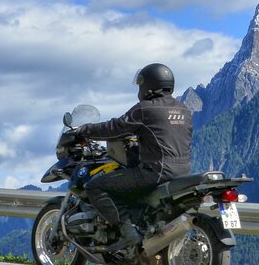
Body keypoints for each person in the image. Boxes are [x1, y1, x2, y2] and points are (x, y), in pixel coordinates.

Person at [75, 63, 193, 253]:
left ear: (149, 85)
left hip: (154, 172)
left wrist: (85, 130)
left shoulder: (145, 109)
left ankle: (127, 230)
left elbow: (115, 127)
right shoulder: (184, 111)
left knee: (95, 186)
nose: (139, 89)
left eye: (141, 85)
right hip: (183, 173)